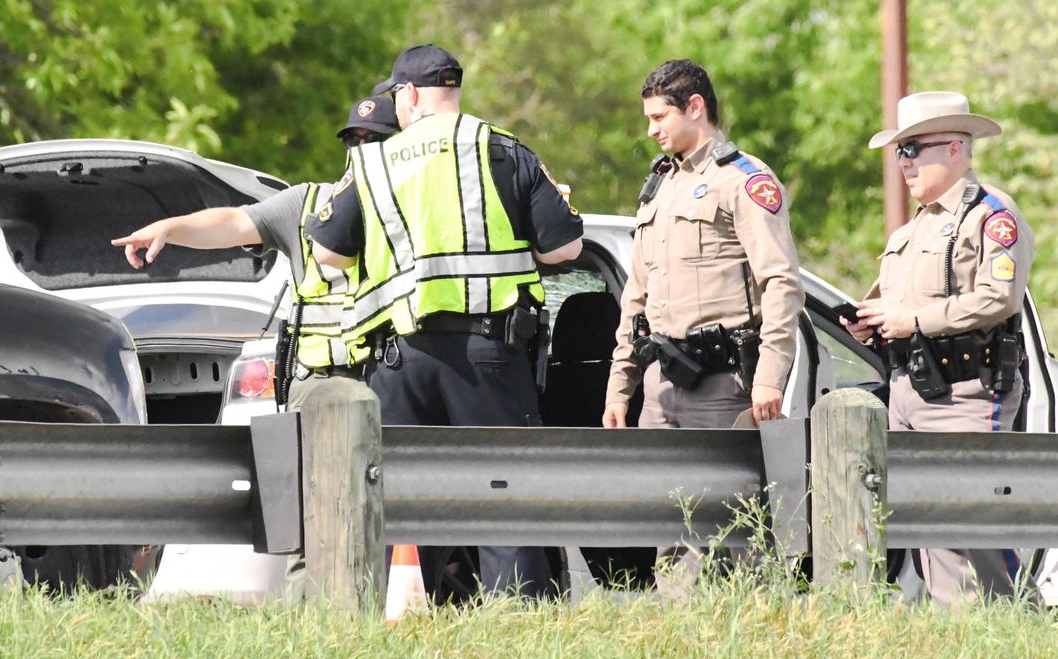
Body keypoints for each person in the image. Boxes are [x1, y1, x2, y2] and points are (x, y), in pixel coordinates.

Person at [307, 44, 584, 601]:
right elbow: (567, 249)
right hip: (488, 357)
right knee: (503, 493)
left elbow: (328, 255)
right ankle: (517, 629)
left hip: (399, 360)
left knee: (402, 502)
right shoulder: (503, 150)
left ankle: (394, 624)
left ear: (407, 96)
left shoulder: (374, 163)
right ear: (454, 92)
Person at [600, 59, 804, 596]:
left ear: (696, 107)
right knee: (669, 532)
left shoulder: (744, 180)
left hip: (721, 386)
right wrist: (620, 386)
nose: (651, 129)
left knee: (731, 532)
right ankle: (682, 648)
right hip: (660, 387)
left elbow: (782, 284)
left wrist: (770, 378)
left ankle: (747, 644)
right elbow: (635, 297)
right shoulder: (661, 185)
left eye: (659, 116)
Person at [844, 91, 1037, 605]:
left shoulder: (991, 215)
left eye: (915, 149)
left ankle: (1022, 630)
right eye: (899, 152)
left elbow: (999, 298)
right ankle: (959, 635)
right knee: (930, 527)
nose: (904, 163)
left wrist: (912, 320)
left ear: (955, 148)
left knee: (976, 525)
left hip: (968, 392)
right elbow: (895, 306)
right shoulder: (912, 229)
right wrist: (873, 323)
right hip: (912, 391)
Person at [111, 95, 399, 412]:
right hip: (319, 384)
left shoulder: (417, 208)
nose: (361, 150)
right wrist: (170, 228)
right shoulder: (307, 203)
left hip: (393, 376)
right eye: (353, 141)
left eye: (375, 140)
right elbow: (234, 222)